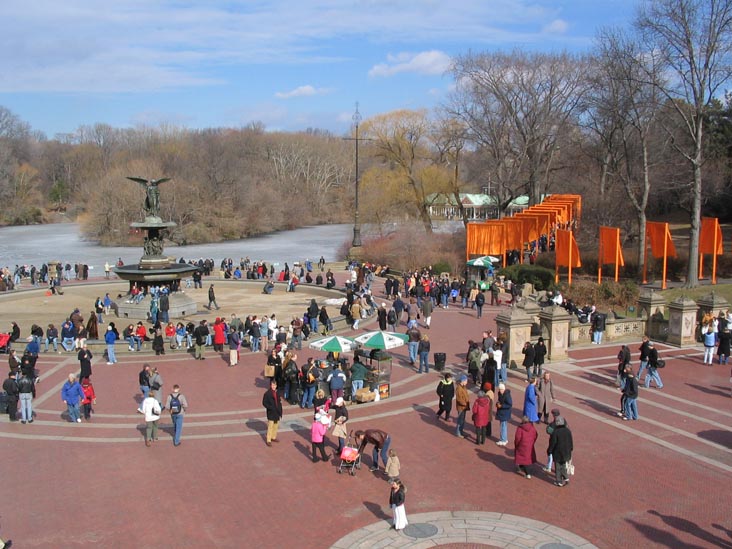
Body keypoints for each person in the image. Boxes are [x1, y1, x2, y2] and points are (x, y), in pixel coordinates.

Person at [547, 415, 573, 487]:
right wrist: (571, 449)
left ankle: (559, 481)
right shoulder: (568, 431)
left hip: (558, 452)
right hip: (566, 452)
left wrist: (549, 450)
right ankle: (566, 477)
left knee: (558, 467)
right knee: (563, 464)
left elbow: (553, 443)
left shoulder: (556, 432)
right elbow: (571, 441)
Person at [262, 379, 283, 447]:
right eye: (272, 385)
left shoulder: (277, 392)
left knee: (276, 425)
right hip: (271, 412)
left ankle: (273, 437)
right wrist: (270, 407)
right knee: (270, 426)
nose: (274, 386)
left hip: (277, 412)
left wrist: (280, 410)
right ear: (270, 385)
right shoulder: (267, 394)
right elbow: (264, 403)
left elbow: (279, 401)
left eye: (275, 385)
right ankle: (268, 440)